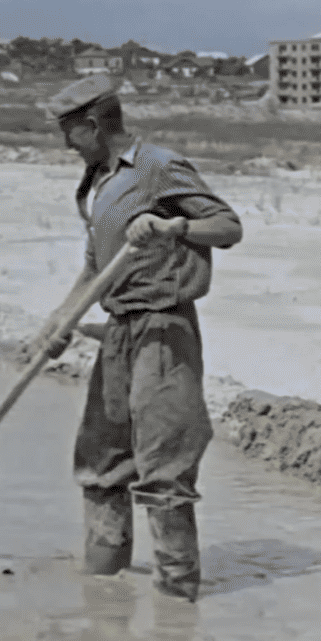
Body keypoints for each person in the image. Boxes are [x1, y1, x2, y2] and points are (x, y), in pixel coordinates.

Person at [33, 75, 242, 602]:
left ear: (95, 124)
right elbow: (92, 267)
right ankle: (103, 592)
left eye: (70, 133)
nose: (65, 145)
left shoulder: (154, 166)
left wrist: (175, 229)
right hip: (117, 330)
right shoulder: (97, 183)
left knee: (164, 463)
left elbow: (228, 225)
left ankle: (177, 606)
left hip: (163, 331)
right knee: (102, 460)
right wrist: (60, 319)